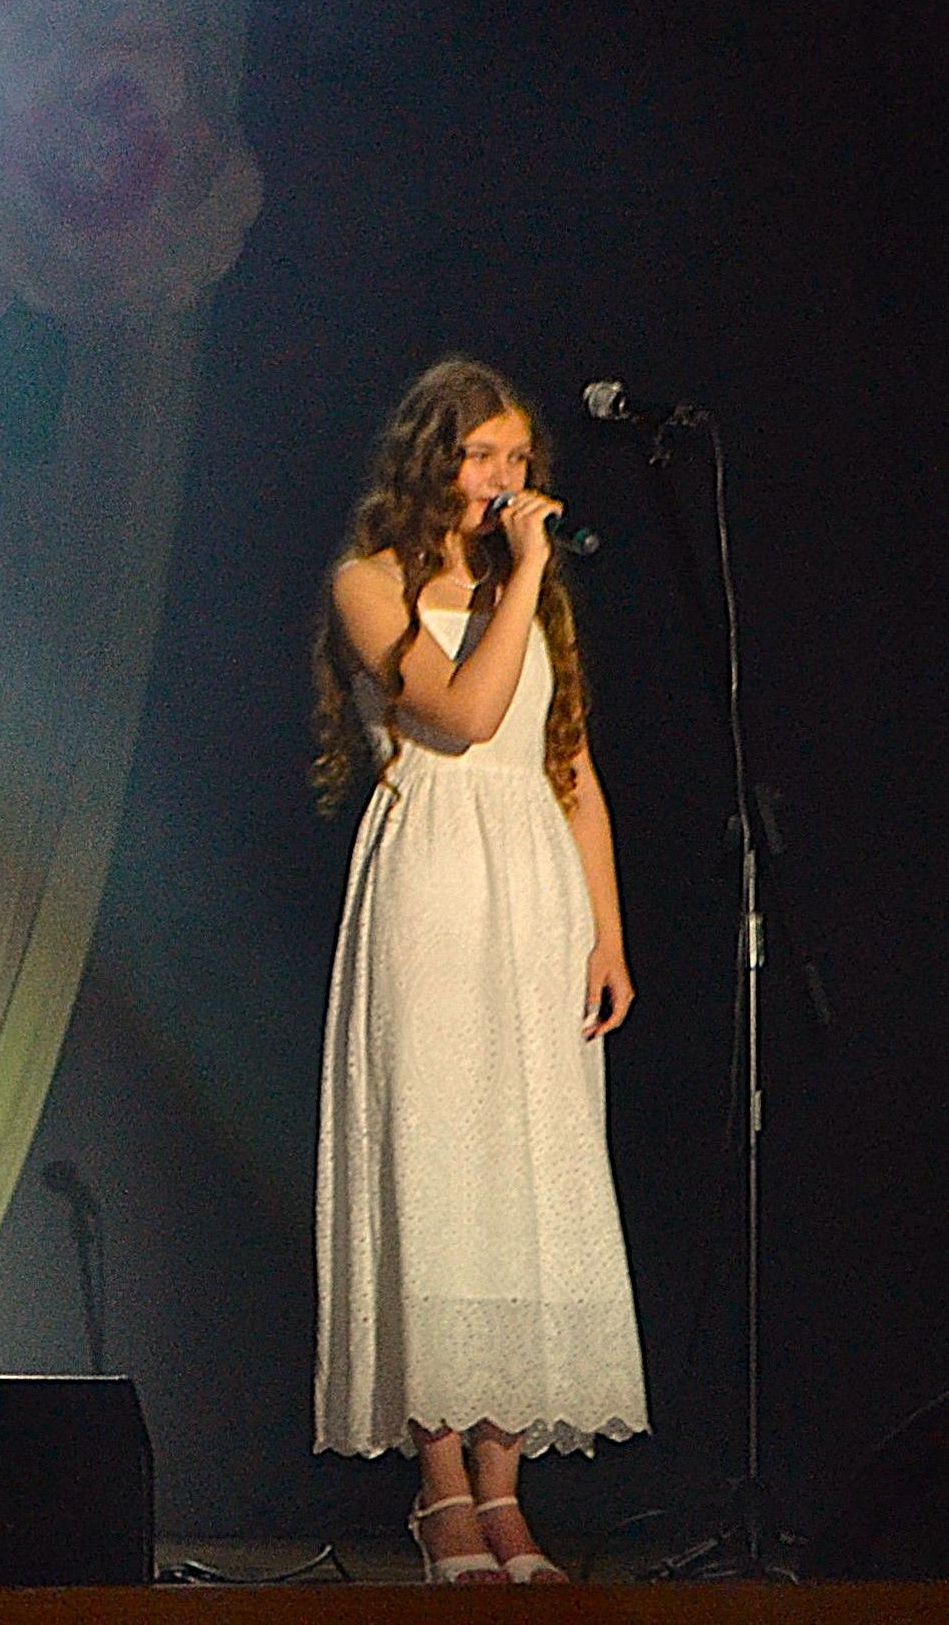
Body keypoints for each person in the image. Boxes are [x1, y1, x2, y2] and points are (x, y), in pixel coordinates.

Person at [309, 356, 649, 1585]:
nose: (505, 479)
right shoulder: (369, 581)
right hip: (435, 886)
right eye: (481, 456)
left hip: (533, 893)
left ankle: (505, 1494)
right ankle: (442, 1490)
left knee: (522, 1179)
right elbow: (458, 713)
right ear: (432, 460)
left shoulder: (527, 594)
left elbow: (569, 766)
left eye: (518, 458)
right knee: (437, 1172)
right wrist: (528, 576)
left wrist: (606, 933)